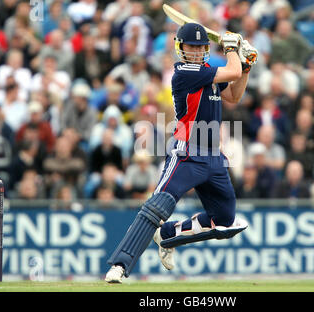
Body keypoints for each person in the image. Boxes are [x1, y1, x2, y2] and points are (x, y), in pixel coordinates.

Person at [105, 23, 257, 283]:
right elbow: (231, 70)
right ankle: (119, 266)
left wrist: (246, 66)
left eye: (201, 47)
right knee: (157, 206)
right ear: (181, 49)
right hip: (187, 152)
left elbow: (234, 96)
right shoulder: (184, 72)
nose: (197, 51)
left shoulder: (208, 72)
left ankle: (167, 235)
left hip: (213, 157)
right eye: (192, 47)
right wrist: (234, 49)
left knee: (226, 221)